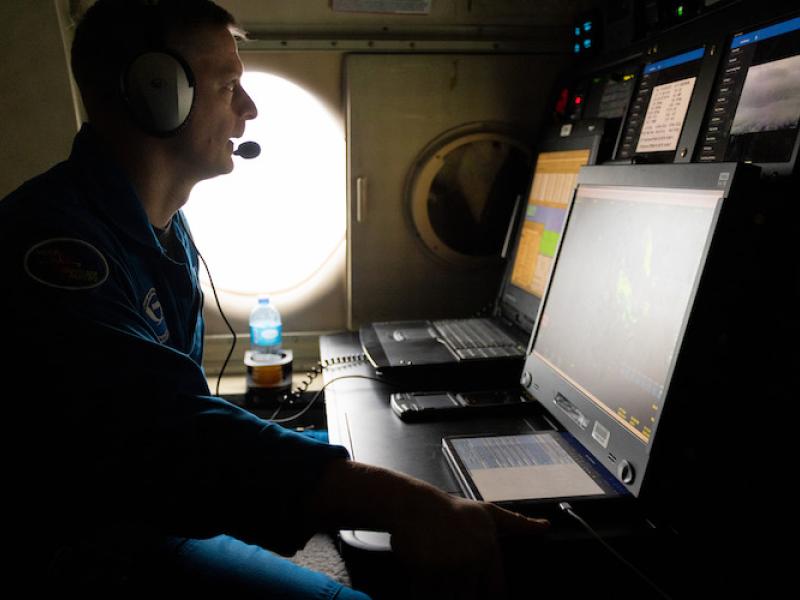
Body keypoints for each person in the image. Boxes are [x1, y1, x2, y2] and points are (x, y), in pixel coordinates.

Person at [0, 1, 548, 597]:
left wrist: (383, 469)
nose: (249, 109)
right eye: (229, 84)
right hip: (88, 552)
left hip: (146, 513)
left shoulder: (160, 228)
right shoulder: (57, 250)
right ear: (155, 93)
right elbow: (166, 434)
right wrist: (398, 500)